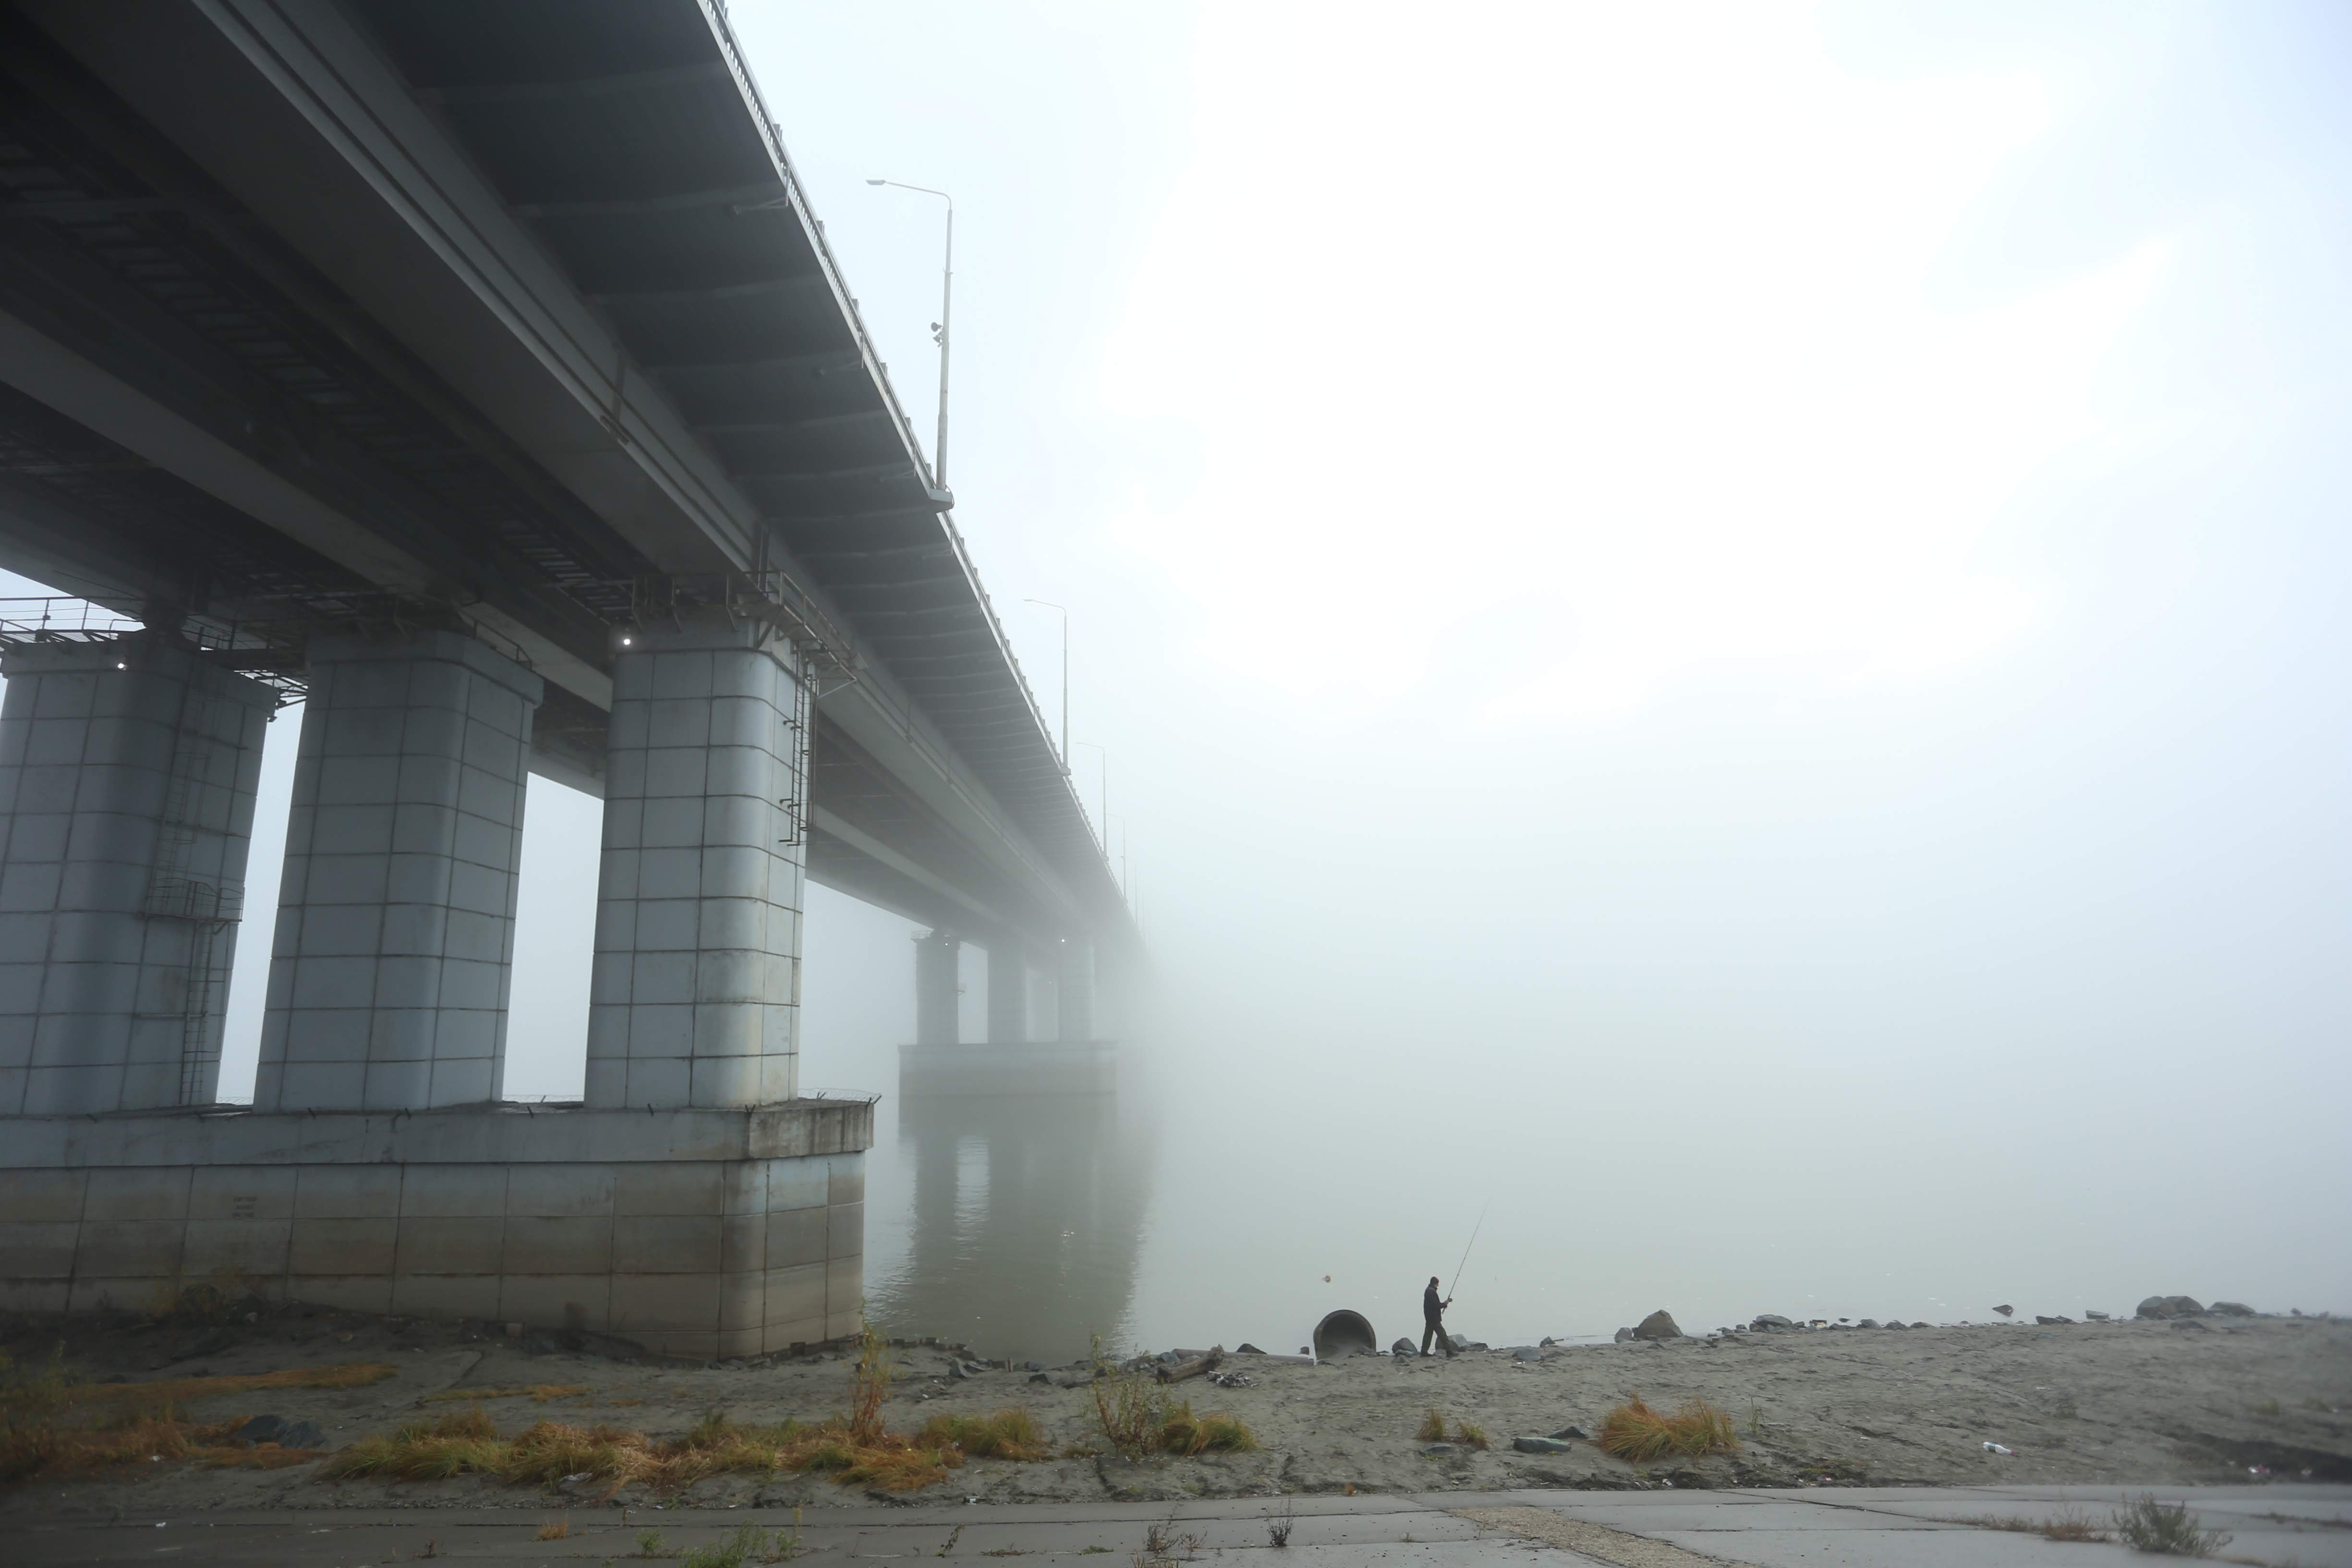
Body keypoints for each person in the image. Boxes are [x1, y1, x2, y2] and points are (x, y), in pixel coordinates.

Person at [1420, 1275, 1454, 1357]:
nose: (1438, 1286)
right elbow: (1436, 1305)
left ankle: (1424, 1352)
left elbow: (1434, 1305)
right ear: (1435, 1284)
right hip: (1434, 1318)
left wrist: (1443, 1304)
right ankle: (1449, 1351)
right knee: (1442, 1335)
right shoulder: (1432, 1292)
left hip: (1429, 1317)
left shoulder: (1428, 1291)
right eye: (1437, 1284)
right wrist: (1444, 1304)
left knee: (1428, 1335)